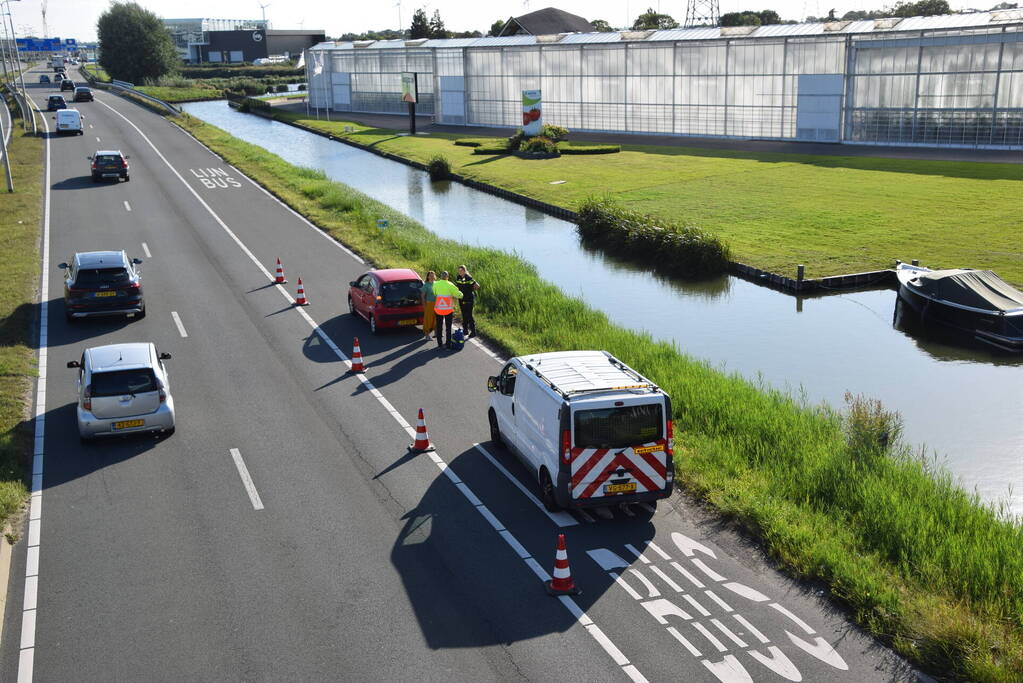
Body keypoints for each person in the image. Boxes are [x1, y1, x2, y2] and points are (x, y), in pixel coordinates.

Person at [432, 271, 463, 349]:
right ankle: (448, 345)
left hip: (438, 309)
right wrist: (462, 294)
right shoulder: (450, 285)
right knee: (448, 328)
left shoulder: (435, 284)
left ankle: (439, 345)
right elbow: (458, 295)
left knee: (439, 327)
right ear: (447, 277)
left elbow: (434, 293)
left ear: (440, 277)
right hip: (448, 310)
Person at [454, 264, 480, 338]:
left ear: (465, 271)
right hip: (461, 299)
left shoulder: (469, 278)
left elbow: (477, 286)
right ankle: (465, 330)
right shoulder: (458, 277)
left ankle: (473, 331)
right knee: (464, 314)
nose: (460, 272)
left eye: (461, 271)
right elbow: (458, 286)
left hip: (469, 299)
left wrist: (470, 290)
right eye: (459, 271)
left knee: (469, 315)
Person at [421, 270, 437, 340]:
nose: (431, 276)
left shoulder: (437, 283)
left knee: (436, 319)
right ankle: (427, 335)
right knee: (428, 319)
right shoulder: (426, 285)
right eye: (430, 275)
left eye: (433, 275)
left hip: (437, 304)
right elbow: (422, 296)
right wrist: (424, 305)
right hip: (429, 304)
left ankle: (436, 333)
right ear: (428, 276)